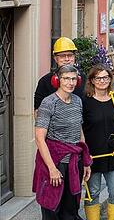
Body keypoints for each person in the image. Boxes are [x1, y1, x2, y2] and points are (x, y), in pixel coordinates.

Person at [33, 64, 92, 220]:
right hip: (55, 162)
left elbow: (79, 132)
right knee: (52, 208)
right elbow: (39, 138)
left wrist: (85, 162)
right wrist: (52, 168)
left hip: (74, 163)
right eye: (66, 79)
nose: (70, 83)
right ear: (57, 80)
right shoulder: (48, 103)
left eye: (73, 79)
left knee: (71, 209)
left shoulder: (78, 101)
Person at [83, 64, 114, 220]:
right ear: (92, 80)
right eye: (98, 77)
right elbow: (80, 129)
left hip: (112, 154)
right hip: (92, 156)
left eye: (106, 77)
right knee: (93, 194)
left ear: (110, 79)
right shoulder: (85, 102)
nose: (102, 81)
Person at [34, 37, 84, 111]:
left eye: (70, 55)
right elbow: (38, 110)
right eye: (62, 56)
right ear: (55, 58)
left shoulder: (84, 78)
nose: (67, 59)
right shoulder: (45, 81)